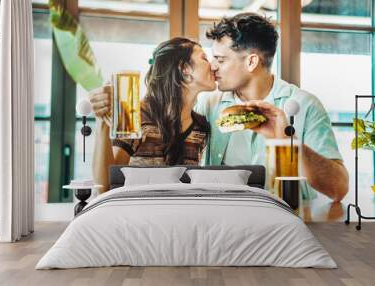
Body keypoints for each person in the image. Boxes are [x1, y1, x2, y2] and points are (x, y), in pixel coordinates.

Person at [194, 13, 348, 202]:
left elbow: (338, 189)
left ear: (251, 61)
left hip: (285, 223)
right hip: (222, 222)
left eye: (221, 60)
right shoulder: (207, 103)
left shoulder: (306, 105)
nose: (213, 67)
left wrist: (287, 140)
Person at [91, 37, 215, 193]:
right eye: (205, 58)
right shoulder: (136, 115)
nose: (213, 66)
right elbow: (106, 186)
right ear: (184, 69)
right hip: (136, 211)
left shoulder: (200, 127)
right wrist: (102, 121)